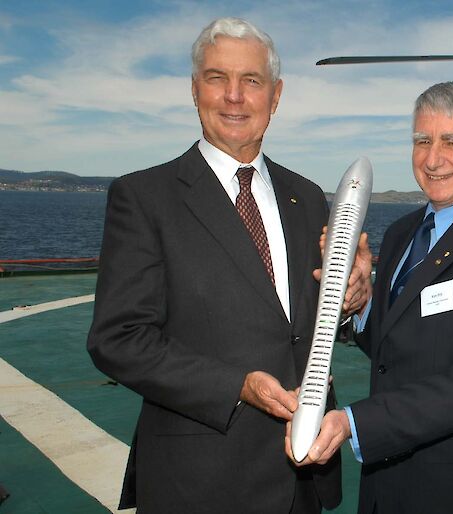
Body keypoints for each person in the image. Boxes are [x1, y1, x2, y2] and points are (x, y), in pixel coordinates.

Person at [87, 17, 369, 514]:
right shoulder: (144, 197)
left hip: (302, 474)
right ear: (196, 91)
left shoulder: (306, 196)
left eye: (252, 81)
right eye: (218, 78)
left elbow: (307, 322)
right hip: (199, 483)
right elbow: (118, 339)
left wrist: (350, 301)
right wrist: (236, 385)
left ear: (275, 96)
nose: (234, 96)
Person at [286, 81, 453, 514]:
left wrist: (354, 423)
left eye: (452, 142)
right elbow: (391, 348)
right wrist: (360, 304)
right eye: (423, 141)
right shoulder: (400, 234)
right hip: (386, 486)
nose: (432, 159)